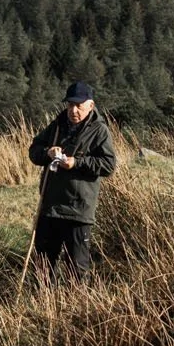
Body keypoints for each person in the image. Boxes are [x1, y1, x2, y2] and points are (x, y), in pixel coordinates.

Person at [26, 80, 117, 274]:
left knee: (77, 268)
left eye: (78, 105)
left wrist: (76, 163)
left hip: (79, 210)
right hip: (50, 207)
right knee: (43, 266)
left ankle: (76, 304)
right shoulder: (57, 126)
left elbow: (108, 165)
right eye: (70, 104)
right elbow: (34, 151)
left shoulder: (100, 131)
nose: (73, 110)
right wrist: (48, 153)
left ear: (90, 105)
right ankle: (45, 302)